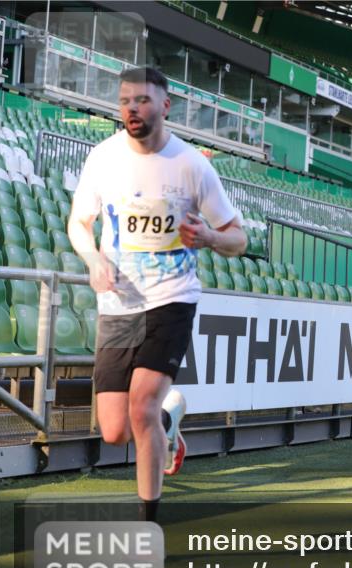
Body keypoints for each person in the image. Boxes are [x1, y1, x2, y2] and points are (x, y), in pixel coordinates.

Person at [67, 67, 246, 520]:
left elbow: (238, 238)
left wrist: (208, 236)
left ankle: (149, 522)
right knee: (113, 431)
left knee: (141, 406)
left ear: (165, 106)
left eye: (143, 100)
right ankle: (169, 421)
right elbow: (78, 222)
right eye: (126, 100)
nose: (132, 108)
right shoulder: (103, 158)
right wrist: (94, 260)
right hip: (118, 304)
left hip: (172, 299)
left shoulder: (191, 165)